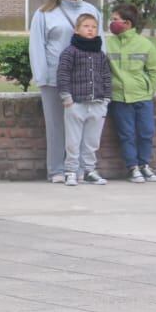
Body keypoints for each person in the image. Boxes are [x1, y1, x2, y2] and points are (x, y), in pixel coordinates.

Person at [29, 0, 101, 183]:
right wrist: (41, 76)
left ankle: (78, 168)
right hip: (53, 78)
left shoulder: (91, 10)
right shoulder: (44, 13)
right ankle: (56, 170)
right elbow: (37, 45)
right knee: (56, 126)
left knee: (80, 125)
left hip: (82, 79)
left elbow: (100, 43)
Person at [106, 3, 156, 183]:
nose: (111, 23)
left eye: (115, 20)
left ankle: (144, 165)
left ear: (127, 23)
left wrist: (150, 90)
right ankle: (133, 167)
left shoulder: (145, 44)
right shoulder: (107, 44)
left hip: (142, 97)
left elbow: (153, 70)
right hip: (119, 98)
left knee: (146, 132)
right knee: (126, 134)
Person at [57, 12, 112, 187]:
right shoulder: (70, 52)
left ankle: (89, 170)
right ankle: (71, 171)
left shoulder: (100, 54)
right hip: (76, 103)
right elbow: (63, 74)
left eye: (94, 27)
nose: (90, 30)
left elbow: (106, 76)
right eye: (86, 26)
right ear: (77, 29)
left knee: (92, 141)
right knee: (73, 141)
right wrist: (67, 98)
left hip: (97, 103)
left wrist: (106, 99)